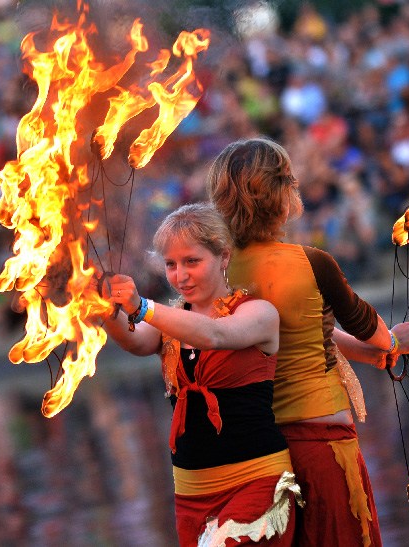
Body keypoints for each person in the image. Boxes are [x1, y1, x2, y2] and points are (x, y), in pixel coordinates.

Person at [206, 137, 409, 547]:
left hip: (257, 459)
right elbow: (365, 324)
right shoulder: (311, 262)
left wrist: (370, 355)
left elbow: (298, 330)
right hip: (322, 449)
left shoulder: (219, 270)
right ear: (283, 195)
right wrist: (393, 340)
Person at [102, 202, 301, 547]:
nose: (180, 275)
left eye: (192, 261)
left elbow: (214, 335)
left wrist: (142, 307)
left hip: (257, 482)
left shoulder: (258, 312)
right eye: (171, 264)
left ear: (223, 257)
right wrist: (104, 307)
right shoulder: (170, 322)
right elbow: (136, 342)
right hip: (191, 495)